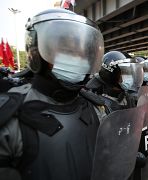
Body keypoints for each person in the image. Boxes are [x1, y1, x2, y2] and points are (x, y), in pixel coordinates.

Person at [0, 9, 104, 180]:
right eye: (64, 50)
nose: (76, 58)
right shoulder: (10, 118)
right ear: (37, 53)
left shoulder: (95, 109)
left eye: (80, 52)